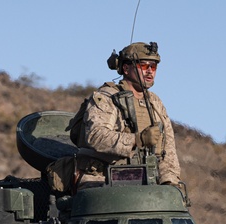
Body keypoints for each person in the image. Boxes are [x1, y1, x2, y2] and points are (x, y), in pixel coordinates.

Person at [72, 41, 181, 187]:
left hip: (144, 182)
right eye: (144, 66)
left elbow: (168, 151)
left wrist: (170, 183)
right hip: (101, 180)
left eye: (153, 67)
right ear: (126, 68)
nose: (150, 71)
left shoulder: (155, 103)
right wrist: (137, 140)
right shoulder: (107, 97)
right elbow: (95, 136)